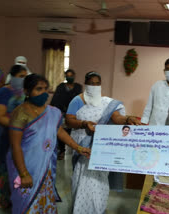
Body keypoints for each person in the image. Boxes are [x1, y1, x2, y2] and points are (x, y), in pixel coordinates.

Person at [6, 74, 90, 214]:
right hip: (26, 166)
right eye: (38, 89)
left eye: (46, 89)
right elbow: (15, 146)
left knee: (45, 199)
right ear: (27, 91)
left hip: (45, 168)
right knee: (26, 202)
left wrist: (78, 148)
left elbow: (59, 131)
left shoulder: (53, 112)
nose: (44, 93)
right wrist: (24, 173)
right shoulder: (19, 113)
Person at [65, 71, 141, 214]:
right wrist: (83, 123)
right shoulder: (77, 100)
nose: (94, 86)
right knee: (81, 180)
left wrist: (126, 120)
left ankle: (97, 209)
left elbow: (117, 117)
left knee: (99, 182)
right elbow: (69, 120)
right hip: (82, 147)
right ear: (85, 84)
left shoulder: (107, 103)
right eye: (91, 83)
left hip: (101, 150)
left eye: (97, 83)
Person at [0, 65, 27, 209]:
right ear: (12, 77)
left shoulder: (25, 93)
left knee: (18, 169)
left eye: (25, 76)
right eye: (20, 76)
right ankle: (3, 198)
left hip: (21, 137)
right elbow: (0, 117)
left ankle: (16, 197)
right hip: (5, 136)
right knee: (5, 170)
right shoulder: (3, 92)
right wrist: (18, 126)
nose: (23, 79)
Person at [141, 57, 169, 125]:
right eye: (168, 69)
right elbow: (149, 106)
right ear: (164, 71)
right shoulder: (157, 85)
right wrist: (144, 121)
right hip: (154, 125)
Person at [50, 69, 82, 160]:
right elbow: (55, 100)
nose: (69, 78)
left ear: (74, 76)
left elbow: (80, 99)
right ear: (65, 77)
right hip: (62, 113)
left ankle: (76, 149)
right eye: (68, 76)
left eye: (71, 75)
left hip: (74, 113)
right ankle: (62, 150)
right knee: (62, 132)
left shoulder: (78, 87)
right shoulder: (60, 87)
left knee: (74, 132)